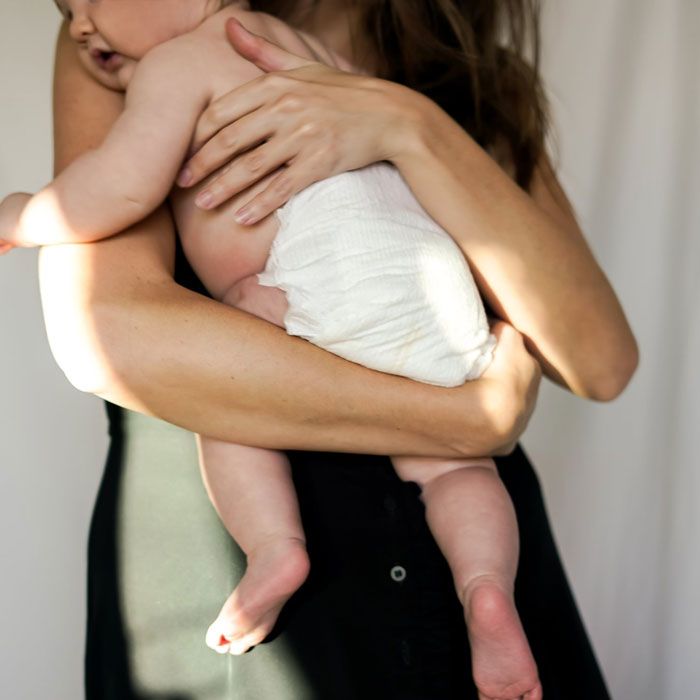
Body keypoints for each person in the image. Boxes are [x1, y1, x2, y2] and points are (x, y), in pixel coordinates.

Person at [36, 0, 637, 697]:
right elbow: (107, 334)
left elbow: (599, 361)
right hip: (235, 587)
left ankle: (481, 594)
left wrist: (408, 127)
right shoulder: (124, 38)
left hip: (467, 591)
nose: (78, 15)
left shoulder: (470, 81)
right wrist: (464, 421)